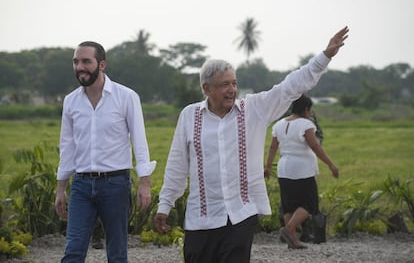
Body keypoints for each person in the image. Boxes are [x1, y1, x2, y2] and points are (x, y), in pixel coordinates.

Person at [153, 26, 348, 262]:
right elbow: (177, 165)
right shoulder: (189, 115)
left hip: (240, 213)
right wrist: (165, 205)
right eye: (224, 84)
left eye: (234, 83)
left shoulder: (253, 109)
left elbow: (290, 87)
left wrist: (324, 57)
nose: (232, 90)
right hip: (201, 216)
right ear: (206, 88)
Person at [54, 41, 156, 262]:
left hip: (116, 185)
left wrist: (144, 183)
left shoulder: (126, 97)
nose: (80, 66)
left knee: (117, 253)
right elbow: (67, 146)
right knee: (73, 250)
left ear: (101, 65)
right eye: (76, 62)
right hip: (81, 185)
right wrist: (61, 188)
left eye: (86, 61)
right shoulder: (71, 102)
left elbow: (140, 141)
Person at [264, 95, 339, 249]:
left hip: (284, 168)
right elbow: (315, 146)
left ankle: (293, 241)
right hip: (302, 169)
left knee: (289, 204)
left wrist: (267, 167)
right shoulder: (306, 124)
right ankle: (289, 229)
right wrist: (331, 164)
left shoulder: (278, 124)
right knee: (310, 203)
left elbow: (272, 148)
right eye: (310, 109)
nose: (311, 113)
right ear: (305, 109)